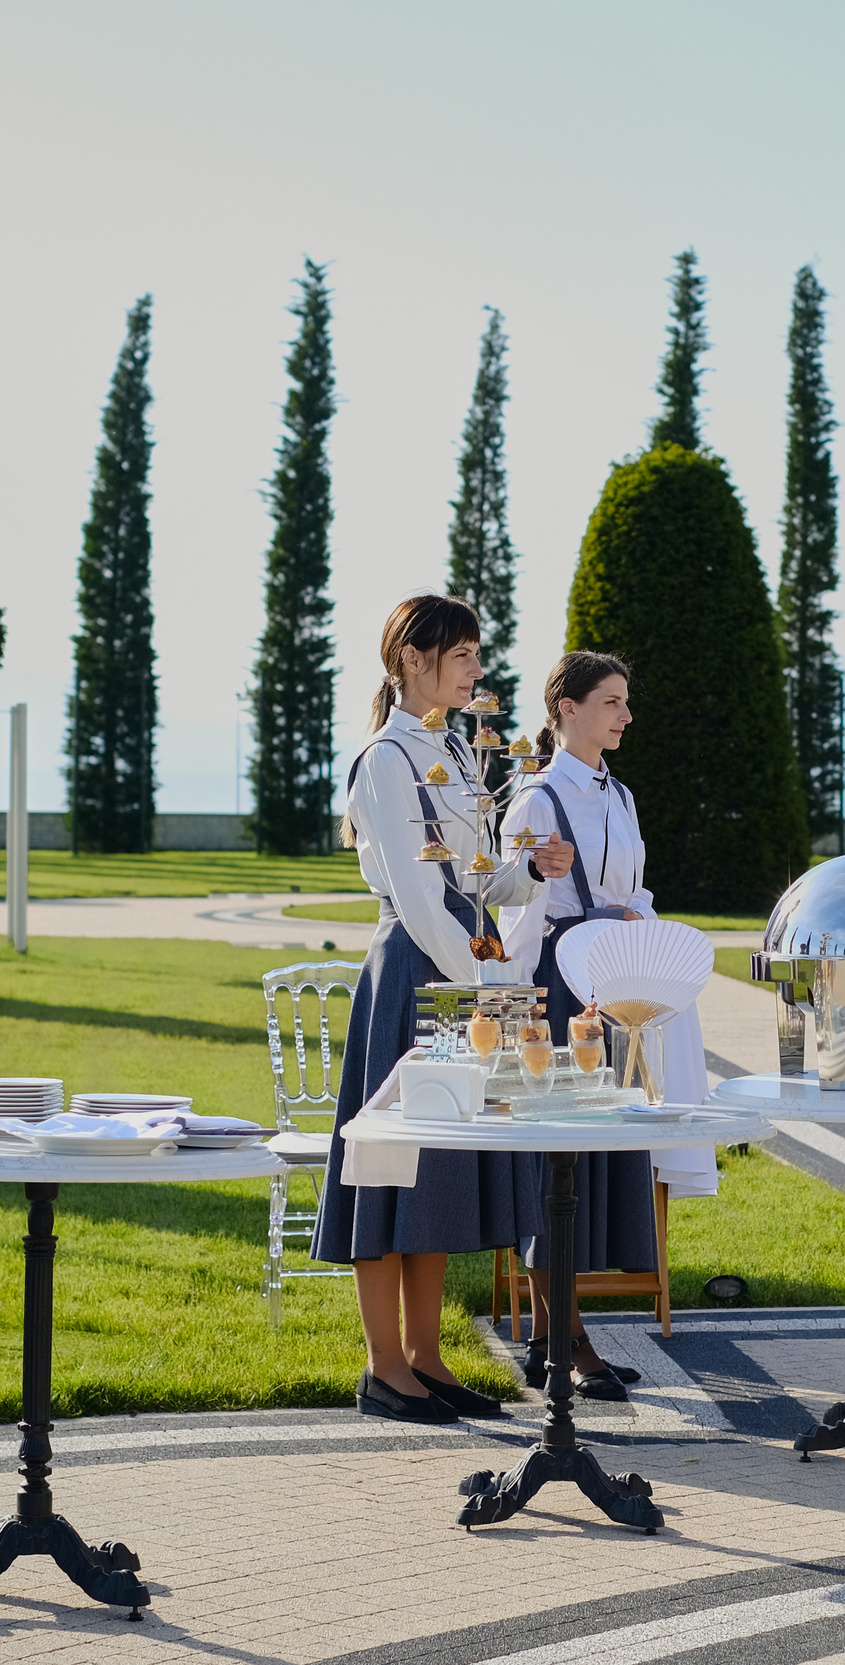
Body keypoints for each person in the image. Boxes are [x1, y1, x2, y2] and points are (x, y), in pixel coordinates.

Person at [314, 594, 576, 1422]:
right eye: (462, 654)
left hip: (464, 970)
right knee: (390, 1165)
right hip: (417, 972)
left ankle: (426, 1358)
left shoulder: (461, 755)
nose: (475, 670)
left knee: (432, 1165)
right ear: (412, 660)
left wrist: (529, 872)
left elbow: (472, 881)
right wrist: (485, 981)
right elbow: (422, 901)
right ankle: (383, 1365)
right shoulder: (384, 760)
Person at [496, 653, 717, 1397]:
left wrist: (639, 929)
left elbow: (634, 890)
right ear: (565, 707)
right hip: (560, 994)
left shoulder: (618, 795)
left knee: (595, 1169)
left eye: (627, 701)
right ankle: (567, 1344)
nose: (625, 715)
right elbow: (518, 912)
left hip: (616, 989)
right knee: (557, 1166)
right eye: (612, 702)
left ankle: (557, 1338)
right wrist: (529, 1000)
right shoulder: (535, 800)